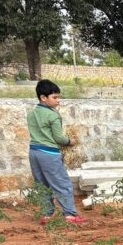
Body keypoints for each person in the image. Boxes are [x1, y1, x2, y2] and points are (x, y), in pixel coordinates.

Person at [26, 79, 86, 225]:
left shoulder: (32, 114)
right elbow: (58, 138)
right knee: (62, 184)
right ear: (43, 97)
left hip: (34, 152)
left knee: (42, 185)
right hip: (49, 153)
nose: (58, 100)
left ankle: (47, 215)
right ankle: (70, 215)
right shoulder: (53, 115)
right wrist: (70, 141)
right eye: (55, 97)